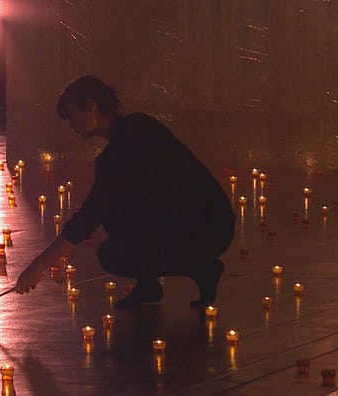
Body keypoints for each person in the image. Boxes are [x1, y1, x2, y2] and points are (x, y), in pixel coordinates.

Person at [15, 75, 235, 309]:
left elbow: (88, 218)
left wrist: (37, 267)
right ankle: (148, 284)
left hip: (208, 227)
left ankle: (202, 268)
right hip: (201, 219)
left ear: (91, 107)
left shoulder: (128, 142)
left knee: (113, 254)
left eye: (72, 116)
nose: (71, 125)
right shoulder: (135, 130)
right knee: (116, 213)